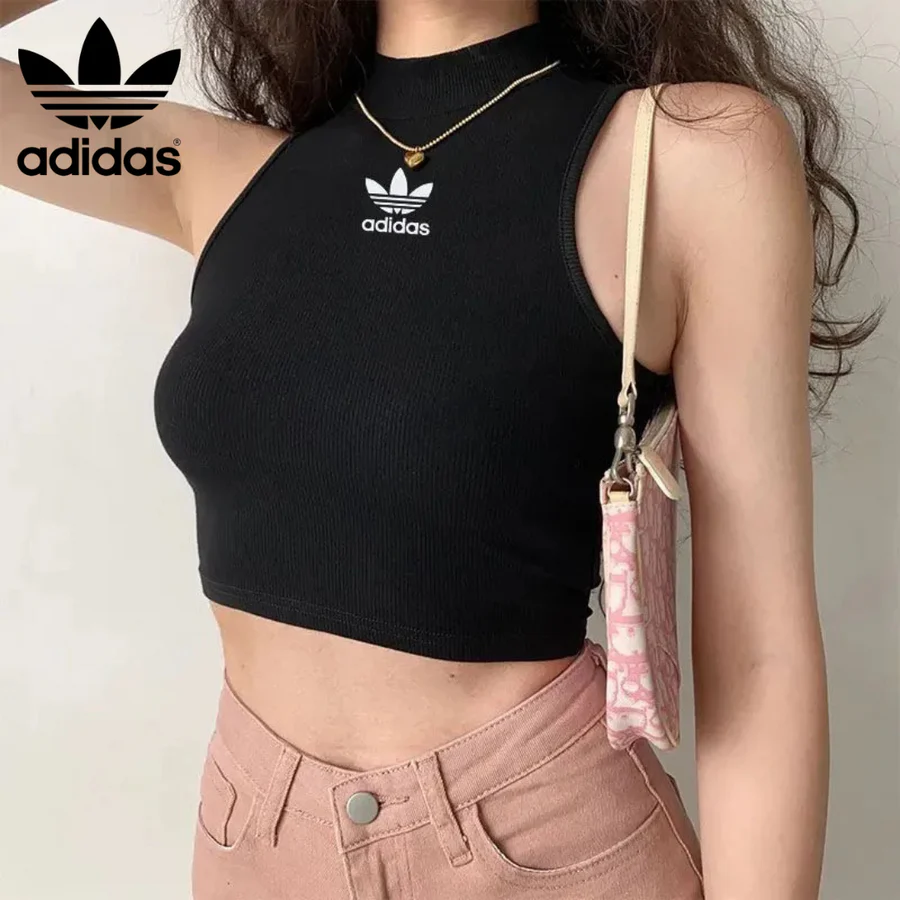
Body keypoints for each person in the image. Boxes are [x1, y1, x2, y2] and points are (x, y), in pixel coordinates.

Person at [0, 1, 878, 898]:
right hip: (255, 844)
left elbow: (759, 644)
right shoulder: (220, 173)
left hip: (544, 850)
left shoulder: (687, 155)